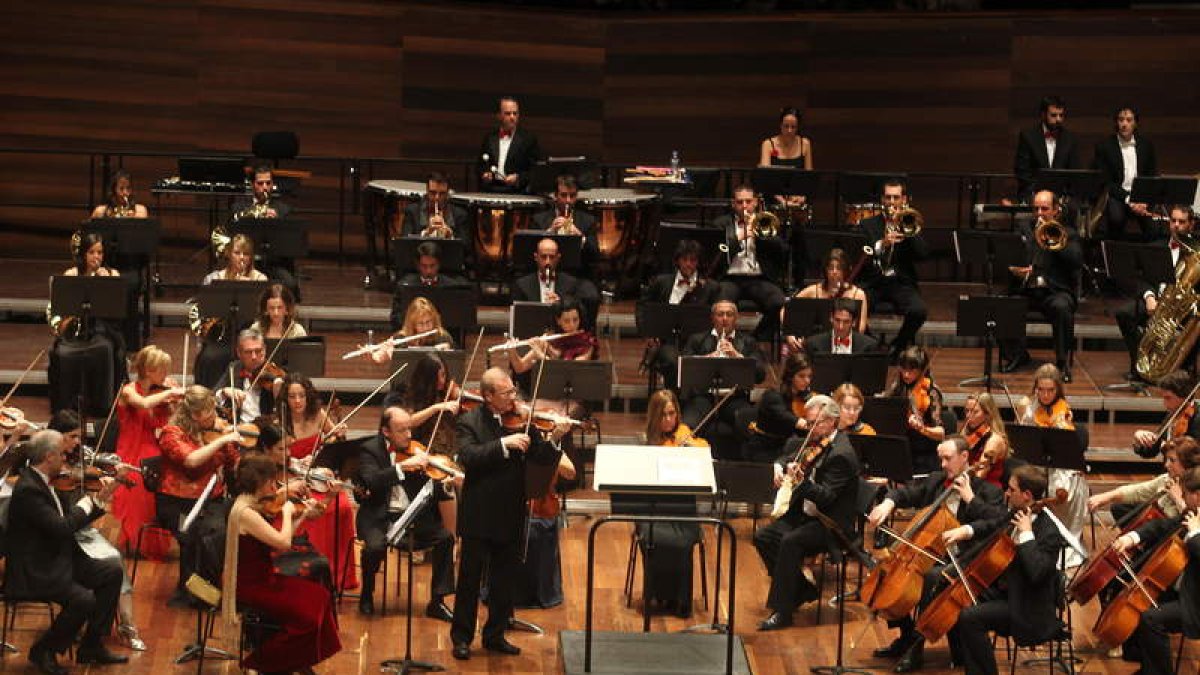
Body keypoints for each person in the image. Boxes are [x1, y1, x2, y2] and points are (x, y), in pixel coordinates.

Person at [450, 368, 568, 660]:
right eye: (507, 393)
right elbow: (468, 457)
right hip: (479, 513)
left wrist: (554, 439)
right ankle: (461, 638)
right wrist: (504, 444)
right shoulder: (469, 421)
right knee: (469, 580)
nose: (513, 398)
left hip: (511, 510)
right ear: (488, 396)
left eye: (513, 392)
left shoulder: (524, 424)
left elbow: (541, 458)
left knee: (504, 579)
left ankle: (495, 634)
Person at [866, 435, 1006, 671]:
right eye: (940, 458)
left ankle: (915, 649)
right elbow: (907, 493)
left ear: (964, 458)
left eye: (947, 459)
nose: (942, 464)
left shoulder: (988, 492)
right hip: (930, 553)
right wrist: (888, 503)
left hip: (965, 560)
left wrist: (969, 499)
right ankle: (907, 634)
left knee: (931, 578)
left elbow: (996, 524)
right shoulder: (936, 481)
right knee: (886, 571)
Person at [6, 429, 128, 674]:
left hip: (58, 557)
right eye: (63, 454)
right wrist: (86, 502)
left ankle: (91, 645)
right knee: (83, 599)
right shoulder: (29, 489)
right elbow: (62, 528)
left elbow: (68, 522)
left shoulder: (44, 481)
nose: (66, 459)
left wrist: (102, 496)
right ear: (49, 456)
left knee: (112, 571)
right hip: (37, 568)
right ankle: (44, 650)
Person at [221, 454, 341, 675]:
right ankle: (262, 663)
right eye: (274, 482)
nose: (276, 487)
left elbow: (278, 538)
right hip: (252, 587)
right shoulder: (246, 513)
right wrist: (286, 512)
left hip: (265, 578)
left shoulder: (251, 503)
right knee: (307, 617)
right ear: (265, 483)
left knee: (321, 596)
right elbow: (283, 543)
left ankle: (296, 660)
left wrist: (302, 514)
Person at [754, 395, 859, 631]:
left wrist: (801, 482)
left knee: (790, 542)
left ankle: (783, 611)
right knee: (763, 537)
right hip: (805, 515)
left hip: (829, 523)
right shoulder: (814, 442)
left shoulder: (841, 454)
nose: (810, 429)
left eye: (816, 423)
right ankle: (801, 589)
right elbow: (788, 456)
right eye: (808, 423)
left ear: (832, 422)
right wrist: (781, 467)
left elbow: (827, 497)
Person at [950, 464, 1068, 675]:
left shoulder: (1049, 532)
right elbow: (992, 524)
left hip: (1027, 606)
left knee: (970, 617)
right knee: (953, 589)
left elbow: (1037, 572)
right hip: (1007, 591)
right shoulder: (1017, 512)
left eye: (1011, 490)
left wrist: (1026, 536)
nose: (1006, 493)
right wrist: (966, 530)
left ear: (1026, 495)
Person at [356, 406, 456, 619]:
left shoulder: (415, 449)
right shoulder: (369, 450)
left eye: (409, 429)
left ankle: (437, 602)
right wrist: (402, 468)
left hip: (410, 515)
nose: (409, 435)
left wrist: (444, 481)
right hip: (378, 515)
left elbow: (432, 487)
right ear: (386, 431)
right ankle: (367, 594)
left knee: (446, 538)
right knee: (373, 547)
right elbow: (370, 480)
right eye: (401, 430)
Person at [623, 390, 708, 617]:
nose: (669, 420)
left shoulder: (685, 436)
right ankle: (657, 595)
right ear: (654, 417)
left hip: (683, 509)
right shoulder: (649, 445)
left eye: (672, 414)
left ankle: (680, 600)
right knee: (652, 538)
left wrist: (689, 448)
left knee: (682, 543)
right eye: (663, 415)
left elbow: (704, 454)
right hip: (654, 509)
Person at [156, 385, 242, 603]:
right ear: (195, 415)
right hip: (176, 503)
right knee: (202, 535)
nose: (215, 416)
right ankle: (194, 592)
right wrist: (221, 441)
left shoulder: (213, 432)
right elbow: (191, 460)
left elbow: (234, 465)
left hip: (210, 498)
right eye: (210, 412)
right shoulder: (171, 433)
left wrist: (229, 442)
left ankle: (210, 587)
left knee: (226, 530)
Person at [1111, 466, 1200, 675]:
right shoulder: (1193, 515)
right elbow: (1161, 526)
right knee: (1136, 606)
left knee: (1151, 619)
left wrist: (1195, 533)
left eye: (1185, 495)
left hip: (1195, 602)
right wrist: (1131, 537)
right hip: (1182, 589)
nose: (1183, 500)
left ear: (1197, 496)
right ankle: (1148, 668)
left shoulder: (1195, 523)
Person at [277, 373, 355, 591]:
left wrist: (338, 435)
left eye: (301, 395)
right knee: (308, 510)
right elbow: (276, 456)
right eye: (292, 396)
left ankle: (338, 575)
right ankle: (307, 572)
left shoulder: (319, 415)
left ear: (308, 396)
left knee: (343, 507)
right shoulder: (280, 420)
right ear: (286, 399)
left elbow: (335, 446)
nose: (298, 401)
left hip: (318, 476)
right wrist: (295, 460)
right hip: (293, 478)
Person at [999, 189, 1083, 382]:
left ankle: (1062, 362)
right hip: (1027, 288)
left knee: (1062, 308)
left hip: (1056, 291)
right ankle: (1017, 355)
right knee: (1003, 304)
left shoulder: (1068, 232)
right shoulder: (1024, 228)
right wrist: (1019, 269)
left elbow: (1076, 261)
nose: (1039, 213)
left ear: (1055, 210)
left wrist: (1054, 241)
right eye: (1036, 208)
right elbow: (1011, 255)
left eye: (1044, 208)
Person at [113, 345, 184, 561]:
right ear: (149, 370)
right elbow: (142, 403)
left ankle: (156, 541)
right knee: (138, 489)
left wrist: (175, 404)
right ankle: (137, 540)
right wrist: (169, 393)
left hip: (155, 445)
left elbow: (172, 421)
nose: (166, 375)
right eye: (163, 370)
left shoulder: (162, 390)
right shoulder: (128, 390)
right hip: (132, 446)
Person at [1016, 362, 1089, 568]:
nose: (1046, 395)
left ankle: (1059, 541)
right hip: (1040, 465)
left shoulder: (1063, 412)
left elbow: (1066, 451)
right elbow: (1025, 440)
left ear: (1058, 390)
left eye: (1051, 390)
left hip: (1063, 468)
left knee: (1061, 489)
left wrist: (1061, 424)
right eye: (1041, 390)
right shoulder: (1032, 408)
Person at [48, 232, 126, 418]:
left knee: (105, 349)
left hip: (102, 331)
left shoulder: (111, 274)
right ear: (83, 254)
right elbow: (59, 309)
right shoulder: (70, 275)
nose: (97, 257)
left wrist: (104, 280)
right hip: (75, 333)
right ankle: (66, 408)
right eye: (92, 252)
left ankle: (103, 407)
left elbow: (116, 313)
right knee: (62, 353)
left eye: (100, 252)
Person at [1114, 205, 1195, 381]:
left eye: (1181, 222)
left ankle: (1183, 371)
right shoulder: (1156, 247)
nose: (1176, 225)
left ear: (1191, 225)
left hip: (1183, 309)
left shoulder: (1196, 253)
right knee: (1124, 313)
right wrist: (1149, 297)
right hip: (1157, 302)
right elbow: (1143, 278)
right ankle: (1140, 366)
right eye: (1173, 220)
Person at [679, 300, 767, 459]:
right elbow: (683, 369)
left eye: (729, 314)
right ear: (713, 317)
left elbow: (760, 375)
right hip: (704, 397)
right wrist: (707, 359)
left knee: (749, 424)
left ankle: (746, 468)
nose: (725, 318)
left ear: (736, 318)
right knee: (687, 426)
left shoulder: (748, 342)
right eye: (720, 314)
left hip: (734, 398)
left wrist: (738, 356)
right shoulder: (697, 339)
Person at [856, 179, 929, 360]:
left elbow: (923, 254)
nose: (891, 201)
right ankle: (872, 345)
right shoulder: (868, 225)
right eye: (888, 197)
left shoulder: (910, 221)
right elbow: (862, 257)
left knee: (919, 311)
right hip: (874, 282)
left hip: (900, 283)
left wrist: (909, 233)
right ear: (882, 199)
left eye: (896, 197)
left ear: (904, 199)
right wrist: (883, 243)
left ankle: (898, 345)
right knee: (852, 305)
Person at [637, 238, 721, 388]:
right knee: (673, 361)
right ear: (677, 261)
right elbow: (643, 307)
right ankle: (675, 402)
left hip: (698, 343)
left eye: (693, 260)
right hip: (667, 342)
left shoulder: (711, 287)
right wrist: (647, 333)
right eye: (685, 259)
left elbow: (716, 317)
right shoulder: (660, 282)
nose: (689, 264)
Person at [192, 234, 269, 389]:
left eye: (246, 254)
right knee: (209, 358)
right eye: (237, 253)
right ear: (229, 254)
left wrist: (250, 290)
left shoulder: (260, 279)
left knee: (245, 355)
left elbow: (262, 315)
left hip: (248, 333)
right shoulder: (213, 278)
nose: (242, 258)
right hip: (221, 334)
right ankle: (209, 399)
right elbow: (203, 311)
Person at [712, 184, 787, 341]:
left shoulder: (765, 221)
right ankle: (723, 342)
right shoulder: (721, 223)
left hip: (758, 278)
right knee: (720, 305)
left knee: (778, 302)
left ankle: (754, 339)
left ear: (755, 203)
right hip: (730, 279)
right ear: (733, 204)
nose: (744, 206)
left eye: (748, 201)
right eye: (740, 202)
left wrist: (759, 234)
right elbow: (717, 253)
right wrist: (739, 238)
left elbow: (782, 249)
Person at [1088, 436, 1199, 522]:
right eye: (1166, 460)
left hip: (1177, 539)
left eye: (1172, 460)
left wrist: (1177, 499)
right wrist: (1106, 497)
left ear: (1187, 462)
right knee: (1120, 508)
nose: (1166, 465)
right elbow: (1138, 491)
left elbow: (1194, 522)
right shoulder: (1167, 479)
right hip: (1157, 529)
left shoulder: (1195, 488)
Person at [783, 248, 870, 355]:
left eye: (839, 268)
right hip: (815, 348)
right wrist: (790, 334)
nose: (834, 272)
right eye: (831, 268)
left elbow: (860, 328)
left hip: (846, 349)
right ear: (825, 270)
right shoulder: (813, 290)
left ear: (846, 270)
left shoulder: (858, 294)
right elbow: (785, 310)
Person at [883, 346, 955, 475]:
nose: (906, 374)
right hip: (902, 449)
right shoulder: (899, 387)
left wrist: (921, 428)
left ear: (922, 370)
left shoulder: (931, 392)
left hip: (924, 455)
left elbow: (941, 433)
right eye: (903, 369)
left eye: (912, 370)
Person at [1092, 106, 1158, 241]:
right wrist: (1129, 200)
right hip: (1118, 195)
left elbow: (1152, 175)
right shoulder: (1104, 146)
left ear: (1135, 123)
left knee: (1154, 229)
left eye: (1129, 120)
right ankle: (1116, 254)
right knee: (1116, 219)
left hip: (1141, 196)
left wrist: (1144, 200)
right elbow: (1106, 182)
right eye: (1121, 119)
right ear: (1116, 122)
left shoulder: (1146, 145)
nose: (1124, 124)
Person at [511, 237, 600, 329]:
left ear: (558, 258)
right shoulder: (521, 285)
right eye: (544, 257)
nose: (548, 262)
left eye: (552, 257)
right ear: (536, 257)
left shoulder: (571, 283)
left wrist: (560, 304)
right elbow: (519, 320)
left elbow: (579, 317)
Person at [744, 352, 813, 463]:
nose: (807, 381)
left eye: (809, 376)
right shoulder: (773, 396)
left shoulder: (803, 397)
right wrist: (815, 425)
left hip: (785, 447)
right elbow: (789, 418)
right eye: (801, 376)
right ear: (790, 376)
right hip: (764, 449)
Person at [1013, 95, 1084, 202]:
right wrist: (1039, 195)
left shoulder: (1070, 139)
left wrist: (1065, 197)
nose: (1058, 119)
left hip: (1061, 196)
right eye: (1054, 115)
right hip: (1034, 194)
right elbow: (1022, 171)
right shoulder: (1028, 137)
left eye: (1061, 115)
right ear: (1043, 115)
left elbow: (1075, 172)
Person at [214, 328, 283, 424]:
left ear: (265, 350)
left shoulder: (274, 373)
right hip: (239, 428)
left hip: (266, 430)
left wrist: (279, 389)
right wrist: (224, 391)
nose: (254, 357)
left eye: (258, 351)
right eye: (248, 352)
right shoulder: (234, 368)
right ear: (239, 353)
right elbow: (211, 397)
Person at [476, 96, 542, 194]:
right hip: (492, 189)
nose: (512, 117)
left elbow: (534, 170)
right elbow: (480, 166)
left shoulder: (528, 139)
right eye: (507, 113)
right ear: (499, 115)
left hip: (517, 191)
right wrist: (485, 174)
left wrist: (518, 178)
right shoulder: (489, 138)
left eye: (515, 113)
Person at [1132, 369, 1200, 459]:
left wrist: (1171, 445)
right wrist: (1139, 438)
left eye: (1168, 398)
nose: (1164, 404)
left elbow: (1194, 454)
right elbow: (1150, 451)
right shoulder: (1172, 416)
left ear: (1184, 395)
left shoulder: (1197, 417)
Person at [532, 174, 599, 265]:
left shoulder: (588, 220)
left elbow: (595, 256)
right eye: (563, 195)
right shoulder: (538, 220)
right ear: (555, 195)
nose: (568, 200)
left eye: (572, 195)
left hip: (577, 274)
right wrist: (549, 233)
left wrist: (581, 237)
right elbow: (531, 255)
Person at [960, 392, 1010, 489]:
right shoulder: (967, 432)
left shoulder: (994, 440)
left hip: (987, 489)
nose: (968, 416)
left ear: (988, 414)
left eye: (975, 412)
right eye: (967, 411)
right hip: (968, 482)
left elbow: (980, 474)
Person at [401, 171, 468, 240]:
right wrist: (426, 233)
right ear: (427, 191)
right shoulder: (412, 211)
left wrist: (450, 236)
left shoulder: (460, 214)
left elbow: (466, 247)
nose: (437, 197)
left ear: (448, 193)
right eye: (433, 193)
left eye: (442, 193)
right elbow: (405, 241)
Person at [803, 297, 879, 356]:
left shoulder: (869, 346)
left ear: (854, 322)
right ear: (831, 318)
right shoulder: (813, 344)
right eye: (837, 320)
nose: (840, 327)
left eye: (846, 322)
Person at [395, 241, 470, 290]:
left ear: (439, 264)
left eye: (433, 266)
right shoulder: (404, 287)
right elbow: (397, 314)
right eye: (424, 266)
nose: (429, 271)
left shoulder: (452, 287)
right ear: (417, 265)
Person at [759, 106, 813, 171]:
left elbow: (809, 173)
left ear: (798, 127)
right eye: (786, 126)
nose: (789, 130)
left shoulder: (805, 143)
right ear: (780, 125)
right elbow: (765, 173)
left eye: (793, 127)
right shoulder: (768, 144)